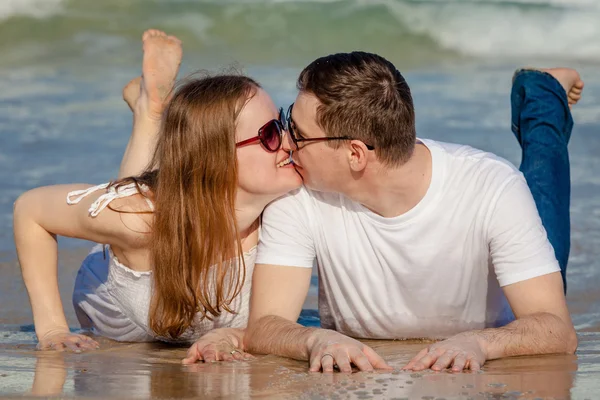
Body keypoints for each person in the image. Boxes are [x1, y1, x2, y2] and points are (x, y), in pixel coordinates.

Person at [242, 52, 584, 372]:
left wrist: (480, 342)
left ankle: (542, 91)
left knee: (540, 188)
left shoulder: (491, 187)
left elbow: (557, 330)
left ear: (356, 155)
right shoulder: (300, 195)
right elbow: (265, 325)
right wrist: (314, 338)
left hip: (505, 319)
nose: (286, 142)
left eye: (298, 134)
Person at [12, 30, 301, 360]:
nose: (289, 142)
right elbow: (30, 210)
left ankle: (150, 108)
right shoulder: (138, 218)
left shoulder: (288, 211)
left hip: (181, 289)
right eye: (269, 134)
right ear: (218, 158)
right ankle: (149, 113)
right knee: (138, 201)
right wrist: (52, 329)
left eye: (282, 123)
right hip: (122, 312)